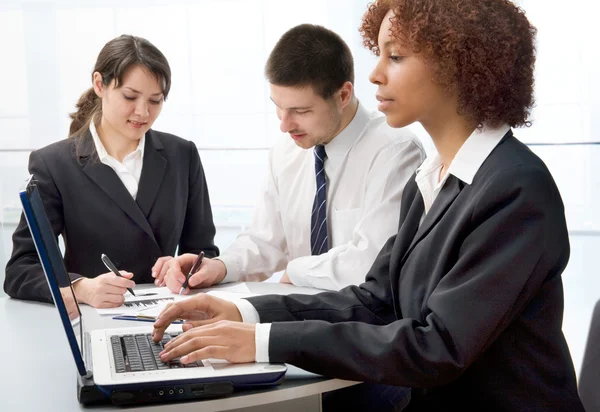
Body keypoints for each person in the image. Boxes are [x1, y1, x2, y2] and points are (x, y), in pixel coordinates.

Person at [151, 0, 585, 410]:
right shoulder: (432, 180)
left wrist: (264, 342)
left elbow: (437, 348)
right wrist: (243, 312)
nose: (375, 75)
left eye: (394, 57)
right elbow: (376, 299)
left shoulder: (514, 188)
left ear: (459, 64)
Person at [153, 24, 424, 293]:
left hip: (369, 325)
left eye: (300, 111)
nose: (284, 125)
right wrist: (219, 267)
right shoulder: (287, 151)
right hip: (300, 315)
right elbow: (265, 241)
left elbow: (369, 263)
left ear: (343, 95)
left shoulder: (395, 152)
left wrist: (295, 270)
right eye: (278, 108)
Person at [4, 34, 219, 309]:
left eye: (155, 100)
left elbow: (204, 254)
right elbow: (21, 269)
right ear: (99, 84)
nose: (143, 112)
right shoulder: (54, 164)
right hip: (94, 319)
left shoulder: (182, 155)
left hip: (168, 316)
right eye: (130, 96)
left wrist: (185, 267)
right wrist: (81, 288)